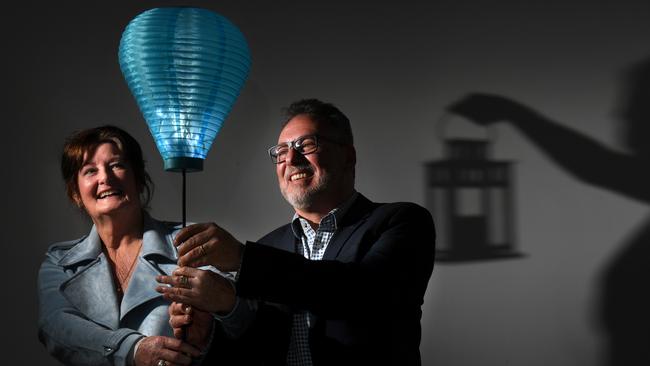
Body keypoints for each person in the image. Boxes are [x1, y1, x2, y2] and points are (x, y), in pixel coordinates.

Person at [156, 99, 436, 365]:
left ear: (348, 156)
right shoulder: (269, 247)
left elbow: (360, 293)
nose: (290, 157)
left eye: (306, 144)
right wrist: (215, 325)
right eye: (280, 151)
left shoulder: (402, 221)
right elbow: (254, 351)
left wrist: (243, 258)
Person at [37, 125, 218, 366]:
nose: (105, 178)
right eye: (90, 171)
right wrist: (133, 349)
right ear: (76, 193)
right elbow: (55, 326)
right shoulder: (59, 262)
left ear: (139, 179)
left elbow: (233, 315)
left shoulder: (192, 242)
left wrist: (207, 329)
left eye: (116, 165)